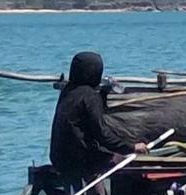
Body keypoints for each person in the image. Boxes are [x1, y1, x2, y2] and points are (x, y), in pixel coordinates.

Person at [50, 51, 148, 182]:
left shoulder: (67, 91)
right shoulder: (89, 96)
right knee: (123, 163)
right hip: (80, 160)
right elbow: (103, 135)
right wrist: (132, 147)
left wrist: (102, 95)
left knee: (96, 156)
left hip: (58, 158)